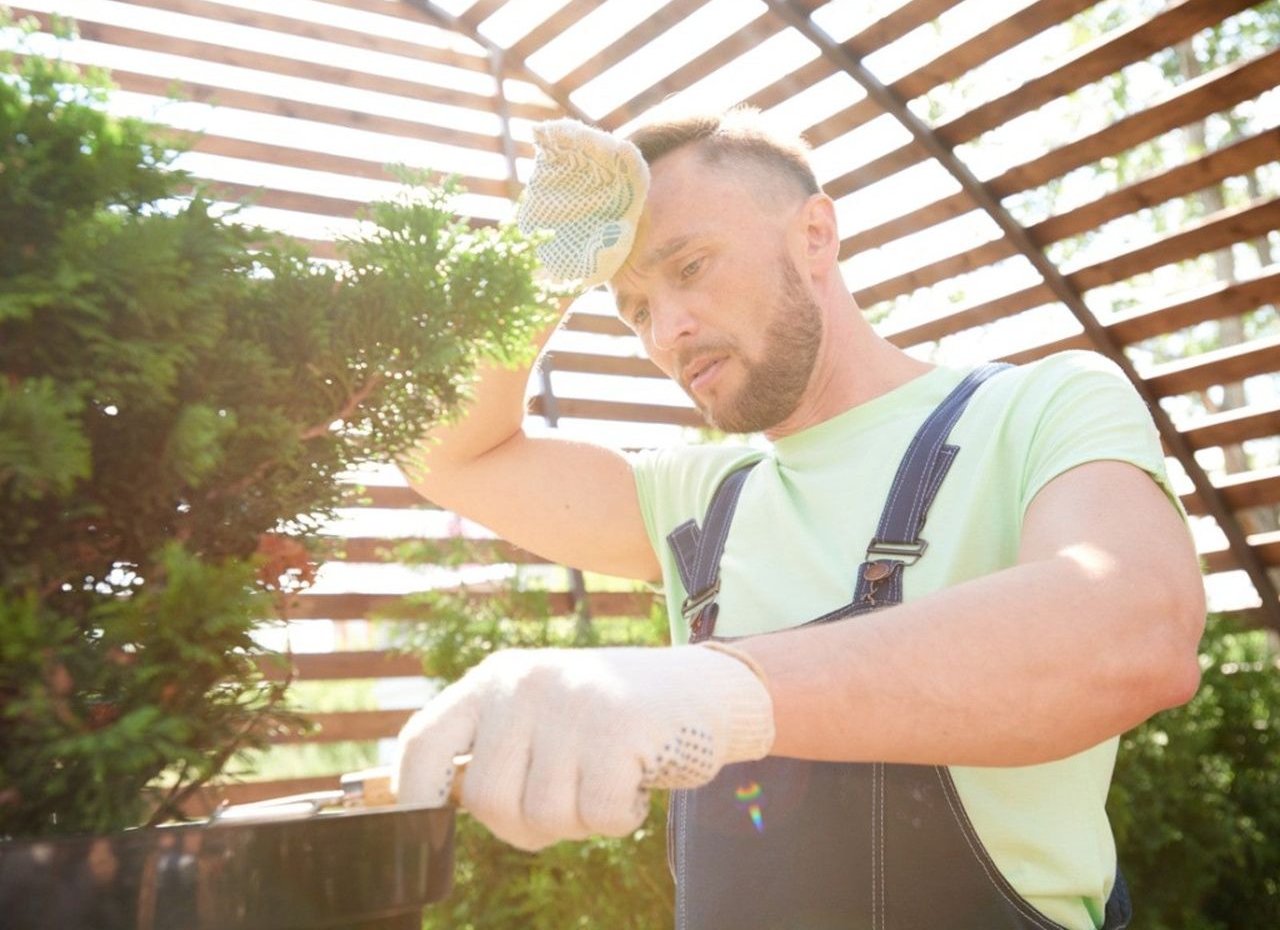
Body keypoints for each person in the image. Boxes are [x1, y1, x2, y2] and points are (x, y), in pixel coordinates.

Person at [393, 110, 1205, 930]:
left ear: (815, 235)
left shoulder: (1037, 406)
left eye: (692, 265)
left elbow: (1133, 628)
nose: (665, 331)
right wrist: (534, 272)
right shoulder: (696, 501)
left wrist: (716, 688)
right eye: (634, 307)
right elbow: (443, 453)